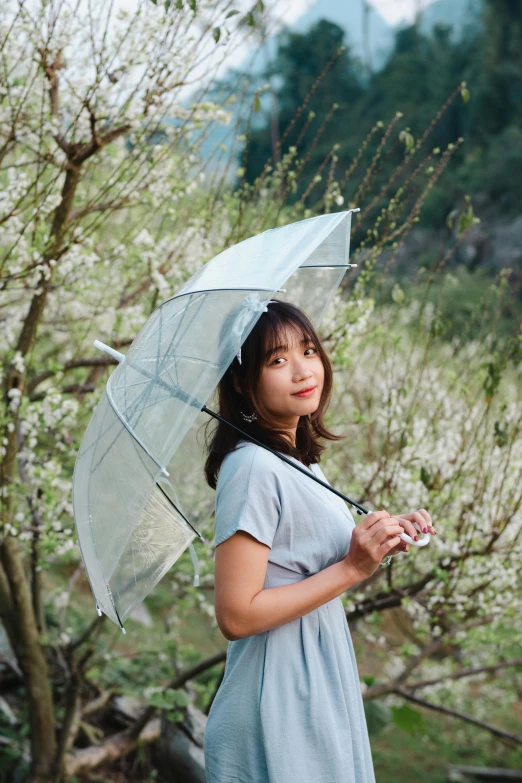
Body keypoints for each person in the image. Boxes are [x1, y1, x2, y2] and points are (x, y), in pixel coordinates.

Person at [202, 299, 436, 783]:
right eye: (277, 360)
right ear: (244, 383)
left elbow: (306, 565)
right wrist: (352, 568)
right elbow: (235, 615)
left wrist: (377, 543)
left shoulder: (300, 462)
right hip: (279, 690)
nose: (303, 369)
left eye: (308, 350)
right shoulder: (252, 468)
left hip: (317, 675)